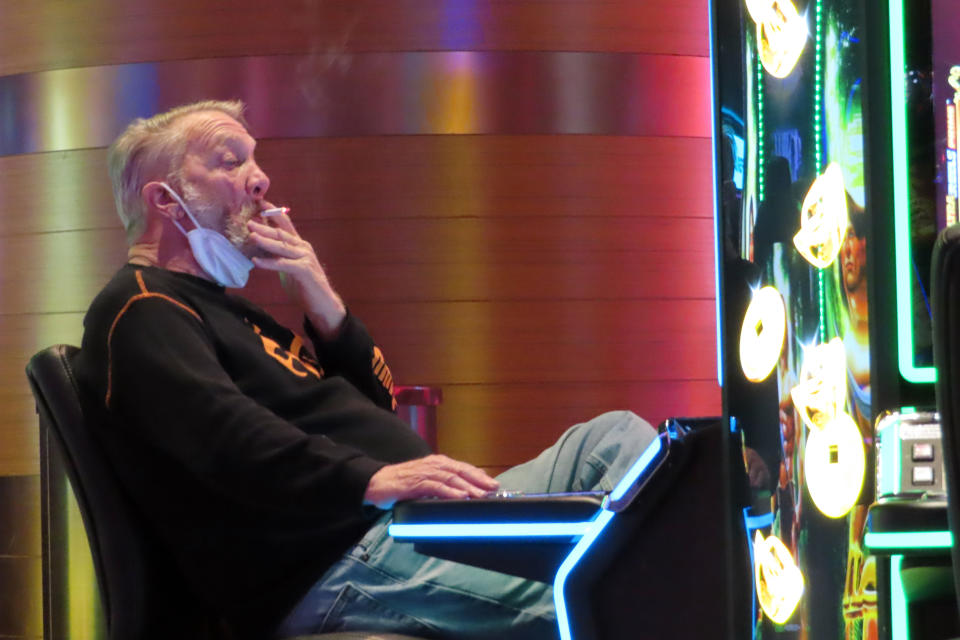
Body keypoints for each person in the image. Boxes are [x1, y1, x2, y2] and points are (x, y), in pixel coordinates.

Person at [73, 100, 657, 640]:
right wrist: (370, 479)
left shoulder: (229, 310)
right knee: (614, 594)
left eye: (255, 159)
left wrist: (320, 298)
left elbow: (373, 408)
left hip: (398, 523)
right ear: (164, 200)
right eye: (231, 162)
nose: (261, 179)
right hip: (334, 559)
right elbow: (224, 439)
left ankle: (675, 560)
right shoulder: (141, 309)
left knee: (613, 438)